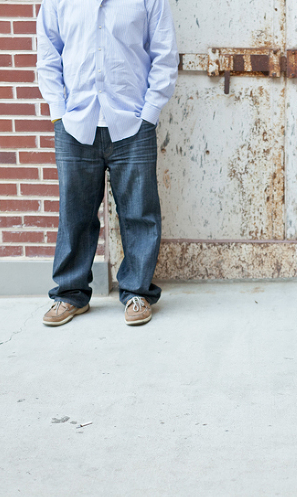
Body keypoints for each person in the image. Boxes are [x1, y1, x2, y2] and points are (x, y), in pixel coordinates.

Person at [36, 0, 178, 326]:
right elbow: (48, 54)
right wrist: (59, 112)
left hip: (132, 121)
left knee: (140, 213)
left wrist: (150, 112)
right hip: (75, 123)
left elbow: (164, 54)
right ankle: (69, 295)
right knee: (75, 214)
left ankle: (137, 292)